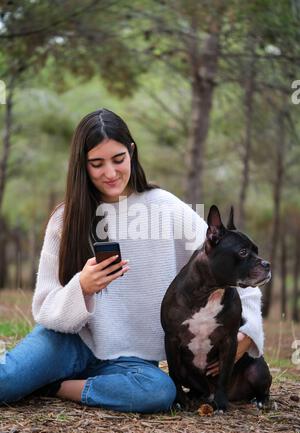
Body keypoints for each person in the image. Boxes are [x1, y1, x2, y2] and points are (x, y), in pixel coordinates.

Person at [0, 108, 266, 413]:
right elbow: (44, 307)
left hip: (131, 361)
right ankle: (45, 373)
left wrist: (250, 330)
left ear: (132, 152)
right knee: (5, 382)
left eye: (118, 159)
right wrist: (82, 287)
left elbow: (236, 266)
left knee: (158, 393)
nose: (110, 173)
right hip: (66, 344)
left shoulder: (165, 208)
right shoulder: (66, 220)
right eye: (96, 164)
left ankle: (55, 385)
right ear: (81, 165)